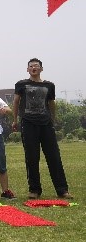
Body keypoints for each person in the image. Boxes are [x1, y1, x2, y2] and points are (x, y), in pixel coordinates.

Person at [12, 58, 72, 199]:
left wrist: (53, 118)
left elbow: (51, 103)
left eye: (36, 66)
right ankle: (34, 190)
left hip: (46, 124)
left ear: (41, 69)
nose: (34, 68)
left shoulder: (49, 85)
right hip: (28, 123)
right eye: (31, 66)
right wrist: (15, 120)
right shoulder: (21, 84)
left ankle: (62, 190)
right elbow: (16, 102)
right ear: (28, 69)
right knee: (32, 157)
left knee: (54, 156)